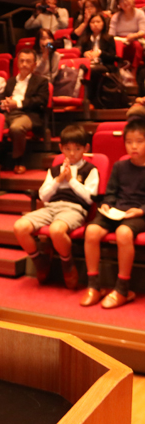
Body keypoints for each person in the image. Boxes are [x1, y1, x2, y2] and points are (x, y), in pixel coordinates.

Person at [13, 125, 99, 289]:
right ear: (61, 148)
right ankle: (40, 262)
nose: (72, 153)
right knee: (19, 227)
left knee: (56, 230)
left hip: (74, 208)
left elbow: (89, 199)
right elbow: (43, 196)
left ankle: (67, 264)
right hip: (51, 207)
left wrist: (72, 180)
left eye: (77, 149)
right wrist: (59, 180)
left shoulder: (90, 169)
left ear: (85, 149)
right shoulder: (54, 171)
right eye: (67, 149)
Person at [80, 117, 145, 308]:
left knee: (123, 233)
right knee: (91, 231)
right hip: (117, 211)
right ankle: (93, 286)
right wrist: (107, 205)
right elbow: (111, 193)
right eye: (129, 142)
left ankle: (122, 289)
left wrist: (140, 211)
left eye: (140, 142)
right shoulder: (119, 166)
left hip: (139, 214)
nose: (134, 146)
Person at [0, 48, 50, 174]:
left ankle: (19, 160)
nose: (24, 64)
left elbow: (40, 101)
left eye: (28, 61)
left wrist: (18, 104)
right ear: (17, 63)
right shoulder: (11, 81)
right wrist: (4, 104)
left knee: (16, 128)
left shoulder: (41, 81)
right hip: (8, 113)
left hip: (28, 114)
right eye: (22, 61)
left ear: (34, 65)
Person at [79, 13, 118, 104]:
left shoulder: (109, 38)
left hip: (104, 64)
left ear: (103, 23)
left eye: (98, 22)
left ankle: (91, 100)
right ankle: (80, 100)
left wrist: (100, 53)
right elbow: (80, 55)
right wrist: (85, 54)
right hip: (89, 64)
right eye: (92, 22)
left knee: (93, 70)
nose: (95, 24)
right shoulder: (85, 39)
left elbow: (113, 57)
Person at [108, 0, 145, 72]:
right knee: (116, 46)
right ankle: (118, 70)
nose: (125, 2)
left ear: (132, 0)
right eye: (121, 1)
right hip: (119, 40)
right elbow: (111, 35)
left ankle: (133, 73)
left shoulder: (140, 13)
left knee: (137, 45)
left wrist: (134, 36)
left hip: (135, 39)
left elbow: (143, 31)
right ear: (119, 5)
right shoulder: (116, 17)